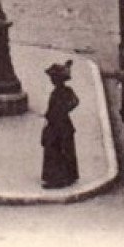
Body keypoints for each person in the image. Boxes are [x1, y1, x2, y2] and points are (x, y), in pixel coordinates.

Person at [40, 61, 80, 190]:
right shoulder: (63, 91)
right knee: (64, 149)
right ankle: (69, 175)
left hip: (58, 125)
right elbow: (74, 101)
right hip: (62, 124)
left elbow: (73, 102)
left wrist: (61, 111)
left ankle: (57, 179)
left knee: (55, 150)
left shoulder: (59, 93)